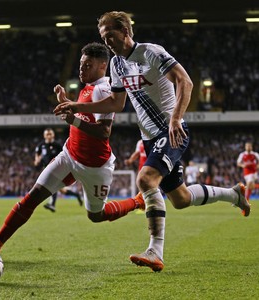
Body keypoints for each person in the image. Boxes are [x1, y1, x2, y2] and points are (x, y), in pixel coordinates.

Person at [54, 11, 250, 272]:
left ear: (125, 31)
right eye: (103, 37)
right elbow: (115, 102)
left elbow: (185, 81)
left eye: (110, 35)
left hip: (171, 132)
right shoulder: (116, 65)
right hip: (149, 138)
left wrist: (176, 118)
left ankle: (155, 251)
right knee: (180, 198)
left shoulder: (151, 53)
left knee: (145, 179)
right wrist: (76, 105)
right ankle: (233, 194)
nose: (107, 42)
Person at [0, 42, 144, 253]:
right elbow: (84, 113)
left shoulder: (103, 90)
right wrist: (67, 102)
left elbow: (104, 132)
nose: (81, 69)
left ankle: (137, 202)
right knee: (32, 196)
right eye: (81, 64)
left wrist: (73, 120)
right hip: (69, 155)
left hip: (94, 166)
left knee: (96, 215)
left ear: (102, 66)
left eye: (87, 65)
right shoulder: (88, 87)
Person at [34, 127, 83, 212]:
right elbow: (37, 156)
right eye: (47, 134)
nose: (49, 136)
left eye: (50, 134)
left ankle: (52, 204)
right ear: (44, 136)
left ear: (53, 135)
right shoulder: (41, 145)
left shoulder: (57, 145)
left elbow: (64, 155)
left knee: (51, 184)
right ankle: (77, 195)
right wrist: (37, 160)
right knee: (62, 190)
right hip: (46, 169)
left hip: (57, 169)